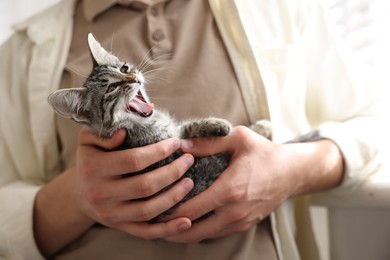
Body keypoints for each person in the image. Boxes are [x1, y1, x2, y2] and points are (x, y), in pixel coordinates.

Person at [0, 0, 386, 259]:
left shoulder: (275, 7)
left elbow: (377, 124)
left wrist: (289, 172)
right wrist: (76, 198)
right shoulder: (21, 51)